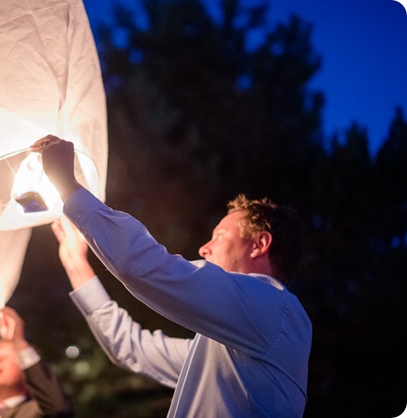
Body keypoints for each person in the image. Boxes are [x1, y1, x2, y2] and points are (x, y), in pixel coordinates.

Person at [33, 135, 312, 418]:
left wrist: (69, 186)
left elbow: (151, 266)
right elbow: (130, 347)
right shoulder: (225, 348)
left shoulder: (277, 310)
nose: (204, 248)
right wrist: (76, 263)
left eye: (219, 236)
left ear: (259, 244)